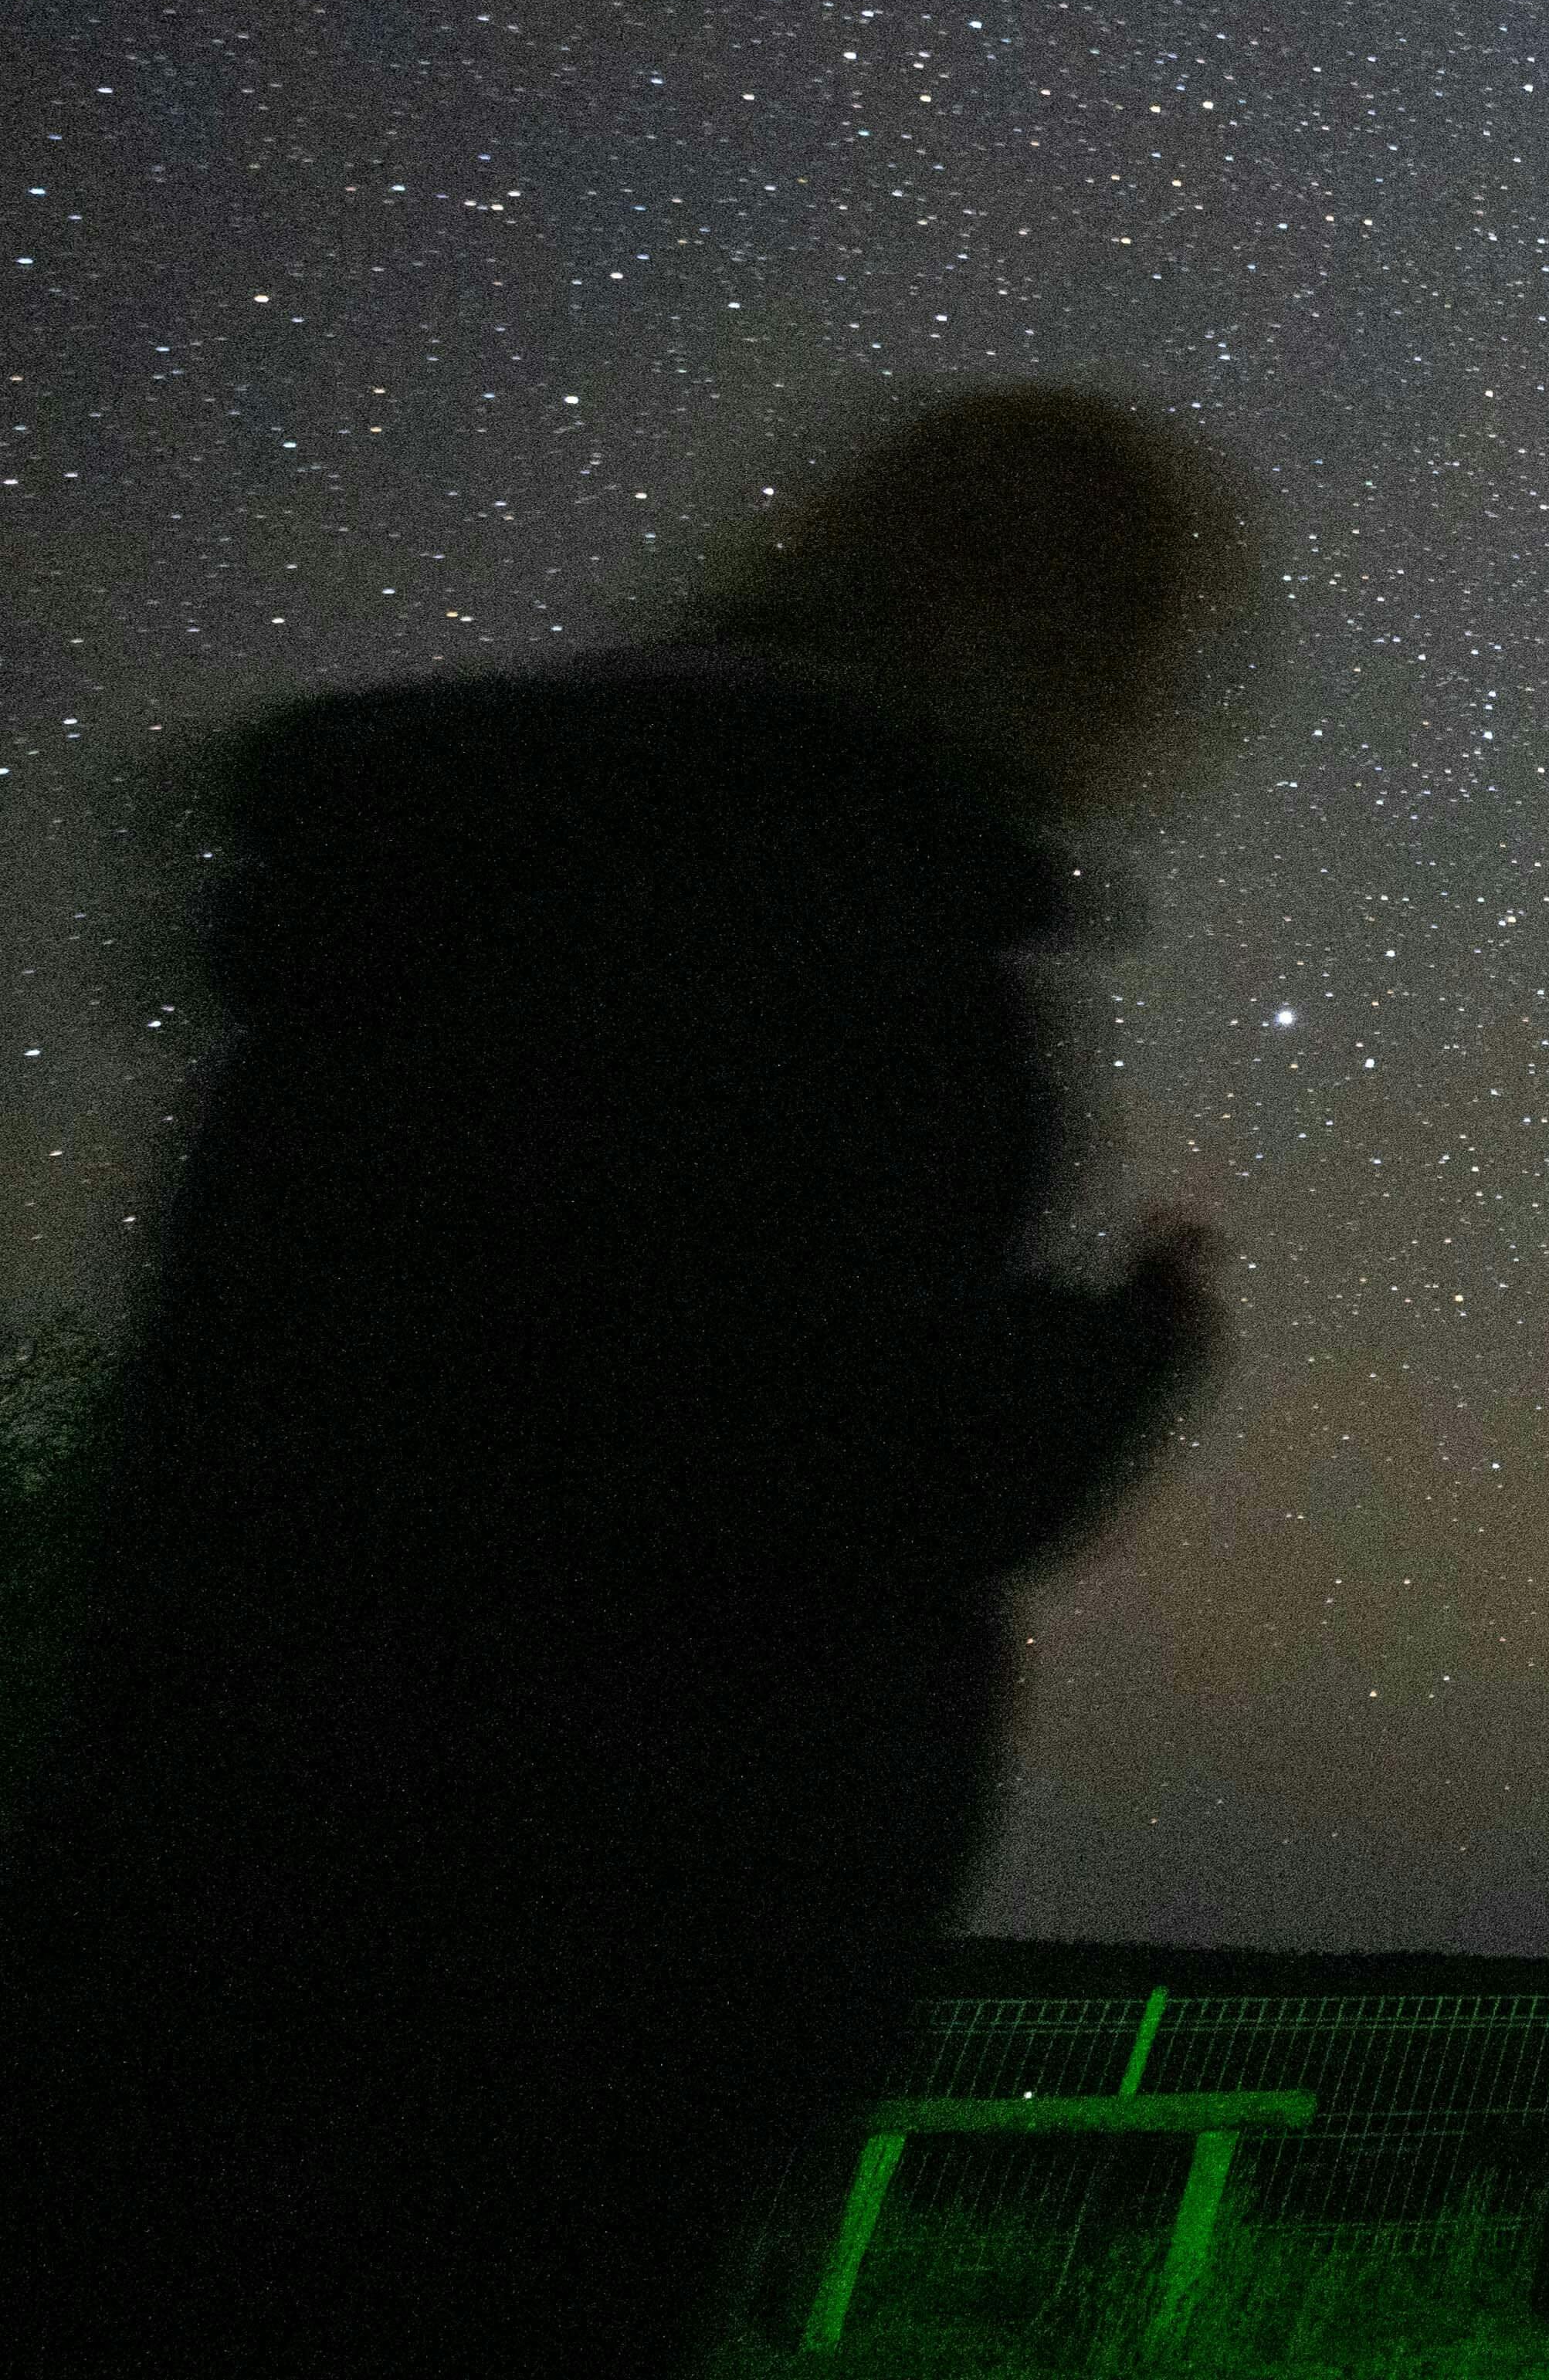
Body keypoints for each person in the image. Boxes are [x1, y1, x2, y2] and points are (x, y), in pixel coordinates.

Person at [0, 386, 1257, 2380]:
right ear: (1047, 636)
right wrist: (1116, 1353)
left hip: (212, 1918)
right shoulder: (836, 908)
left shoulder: (459, 868)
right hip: (541, 1995)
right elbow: (811, 1443)